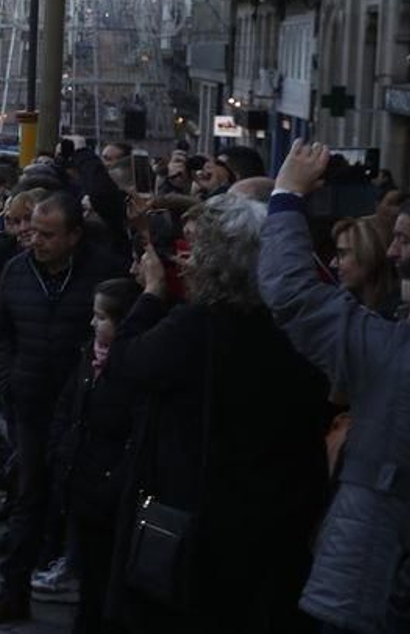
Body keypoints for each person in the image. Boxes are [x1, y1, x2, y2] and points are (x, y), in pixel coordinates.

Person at [95, 191, 328, 632]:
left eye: (192, 250)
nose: (183, 260)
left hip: (195, 515)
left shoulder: (194, 327)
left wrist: (150, 294)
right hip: (271, 517)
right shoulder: (294, 326)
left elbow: (125, 364)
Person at [258, 144, 410, 634]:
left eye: (406, 242)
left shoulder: (400, 356)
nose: (393, 253)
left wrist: (288, 195)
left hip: (374, 578)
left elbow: (292, 293)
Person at [0, 193, 117, 623]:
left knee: (84, 505)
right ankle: (12, 590)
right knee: (29, 496)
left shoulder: (100, 274)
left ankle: (91, 603)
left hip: (84, 411)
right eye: (32, 231)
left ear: (74, 236)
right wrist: (9, 379)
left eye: (47, 234)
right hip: (32, 403)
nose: (35, 241)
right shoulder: (17, 272)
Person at [47, 276, 140, 632]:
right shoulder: (90, 355)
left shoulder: (132, 369)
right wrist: (60, 448)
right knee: (89, 576)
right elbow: (68, 405)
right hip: (80, 476)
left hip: (106, 486)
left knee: (103, 577)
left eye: (101, 317)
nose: (92, 323)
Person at [331, 214, 399, 317]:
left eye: (343, 254)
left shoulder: (398, 314)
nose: (333, 263)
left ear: (370, 254)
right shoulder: (344, 305)